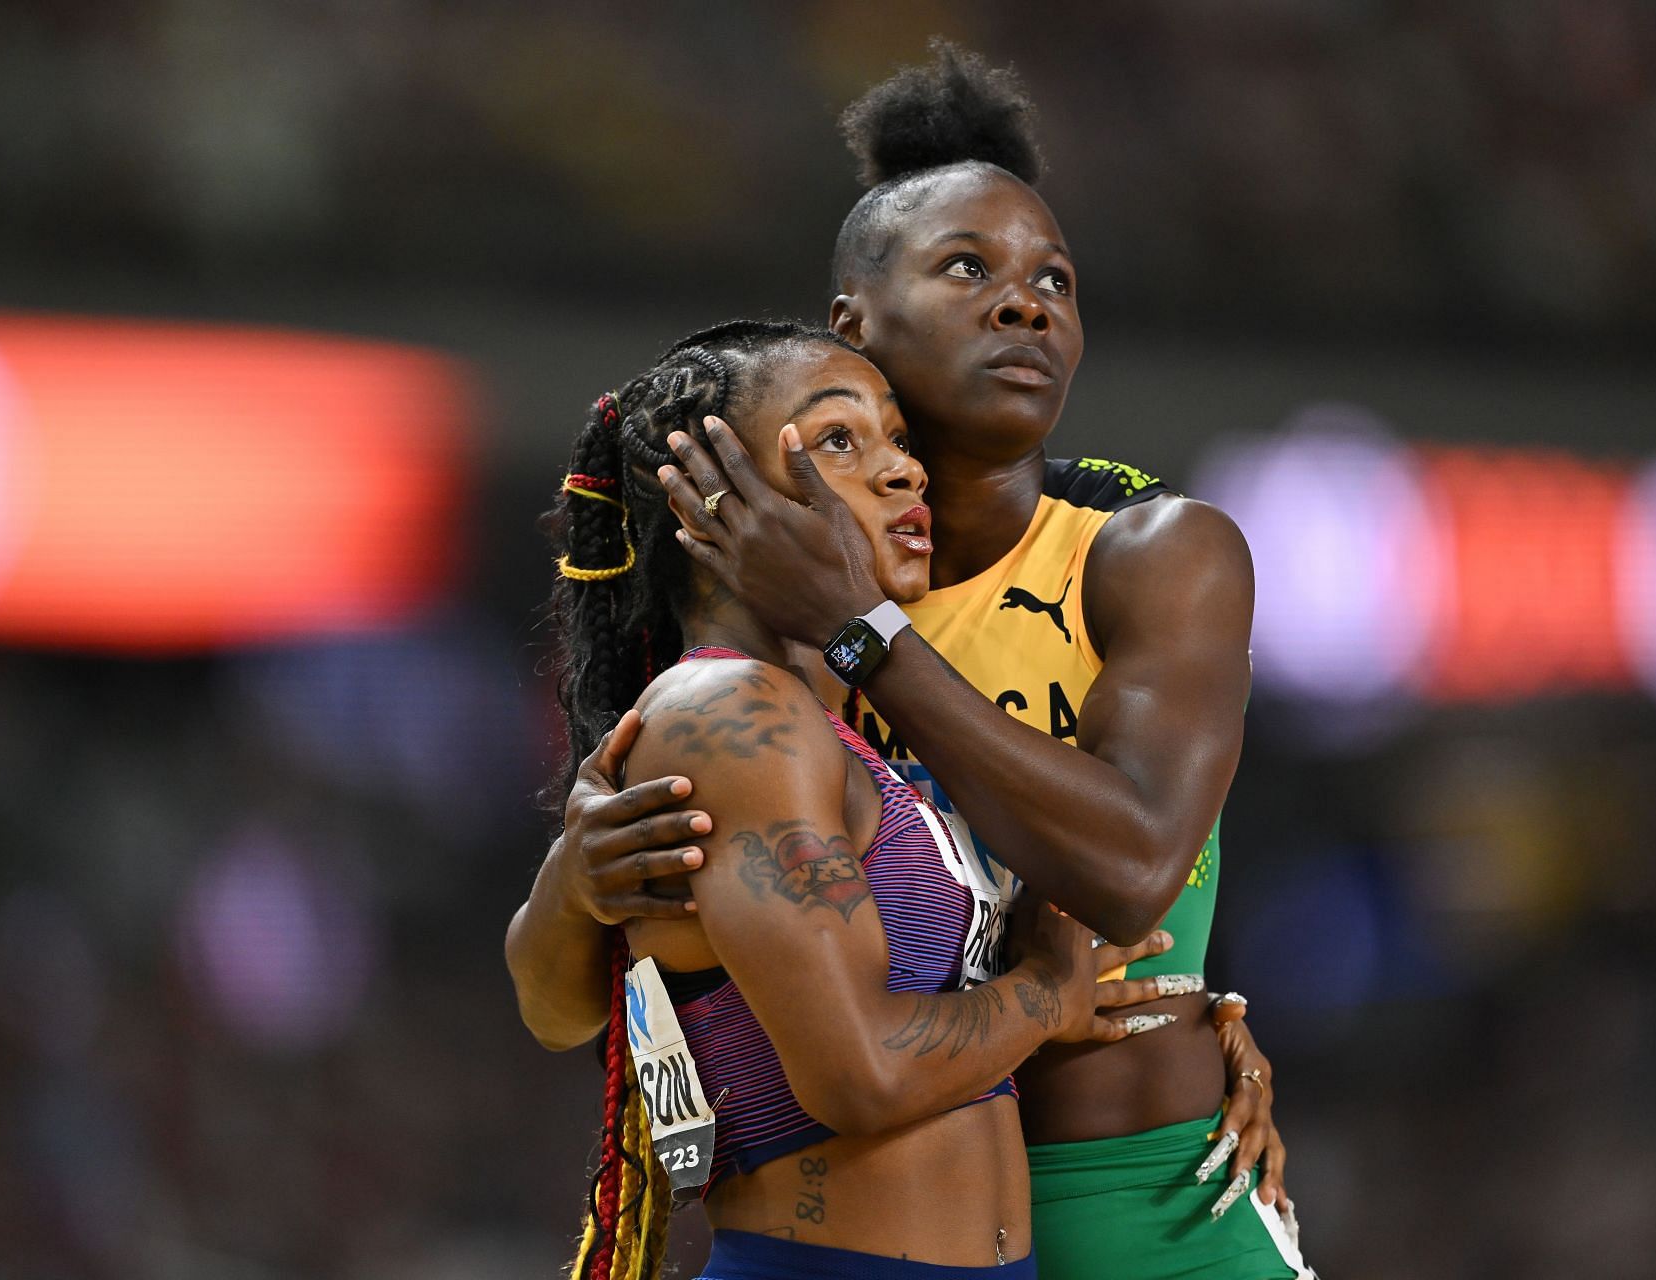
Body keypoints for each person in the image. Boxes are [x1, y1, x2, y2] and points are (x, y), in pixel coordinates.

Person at [597, 44, 1309, 1280]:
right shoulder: (764, 625)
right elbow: (608, 975)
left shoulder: (1149, 549)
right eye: (969, 268)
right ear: (854, 322)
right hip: (910, 1219)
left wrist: (869, 631)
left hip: (1146, 1198)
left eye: (1056, 281)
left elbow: (1136, 870)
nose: (1026, 301)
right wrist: (573, 881)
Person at [505, 319, 1182, 1280]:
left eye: (899, 440)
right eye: (838, 441)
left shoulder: (843, 726)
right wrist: (1043, 995)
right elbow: (860, 1075)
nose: (904, 472)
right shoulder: (730, 714)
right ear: (708, 505)